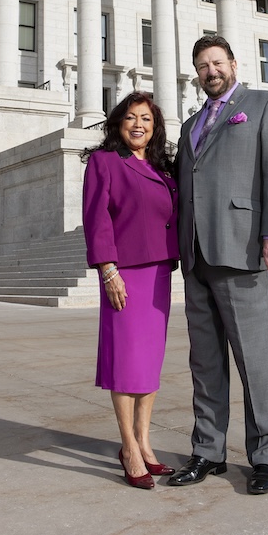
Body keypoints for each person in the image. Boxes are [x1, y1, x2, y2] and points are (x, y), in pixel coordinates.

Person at [168, 34, 268, 495]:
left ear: (233, 64)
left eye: (216, 63)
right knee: (204, 364)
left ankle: (267, 456)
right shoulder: (189, 126)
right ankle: (208, 450)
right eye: (202, 65)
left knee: (257, 361)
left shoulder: (264, 106)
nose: (210, 71)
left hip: (243, 253)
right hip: (197, 257)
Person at [82, 91, 179, 490]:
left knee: (149, 362)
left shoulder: (162, 169)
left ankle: (144, 439)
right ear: (118, 124)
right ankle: (127, 446)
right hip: (124, 273)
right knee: (126, 362)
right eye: (131, 118)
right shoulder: (104, 162)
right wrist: (108, 270)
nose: (139, 125)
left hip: (159, 271)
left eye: (147, 119)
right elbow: (97, 217)